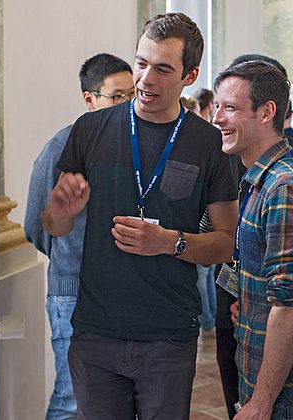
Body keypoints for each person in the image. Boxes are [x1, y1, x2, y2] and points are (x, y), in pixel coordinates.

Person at [43, 13, 239, 419]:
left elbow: (225, 242)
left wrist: (171, 242)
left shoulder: (208, 144)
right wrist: (59, 212)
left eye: (163, 68)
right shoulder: (90, 130)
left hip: (167, 337)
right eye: (141, 63)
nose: (146, 79)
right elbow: (54, 226)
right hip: (96, 333)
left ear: (189, 75)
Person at [213, 53, 293, 419]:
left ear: (267, 112)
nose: (217, 118)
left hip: (292, 396)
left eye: (229, 108)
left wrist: (261, 402)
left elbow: (290, 306)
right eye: (216, 106)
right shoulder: (262, 178)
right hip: (272, 383)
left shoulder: (286, 186)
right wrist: (248, 296)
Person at [24, 53, 134, 420]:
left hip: (122, 291)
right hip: (72, 292)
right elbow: (36, 228)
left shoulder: (133, 145)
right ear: (89, 99)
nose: (127, 105)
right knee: (72, 399)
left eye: (132, 96)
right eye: (117, 97)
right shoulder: (62, 147)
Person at [191, 87, 219, 335]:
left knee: (204, 273)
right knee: (206, 274)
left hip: (204, 222)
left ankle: (208, 319)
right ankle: (209, 319)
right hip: (206, 222)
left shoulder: (206, 138)